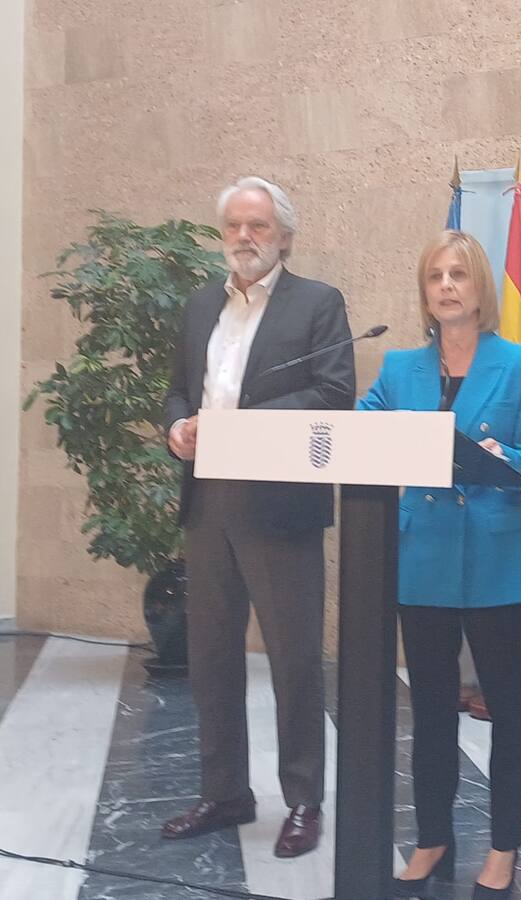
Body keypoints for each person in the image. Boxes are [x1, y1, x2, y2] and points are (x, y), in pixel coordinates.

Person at [162, 176, 355, 857]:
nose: (244, 237)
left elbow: (334, 392)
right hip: (207, 500)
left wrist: (236, 425)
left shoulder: (317, 303)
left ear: (285, 237)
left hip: (279, 504)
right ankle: (225, 792)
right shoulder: (198, 305)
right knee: (211, 655)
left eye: (259, 226)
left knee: (293, 657)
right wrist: (178, 427)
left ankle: (304, 800)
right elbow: (178, 392)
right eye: (234, 226)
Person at [357, 230, 521, 898]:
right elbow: (362, 432)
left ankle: (503, 848)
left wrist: (498, 455)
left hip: (497, 559)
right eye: (435, 275)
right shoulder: (399, 369)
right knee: (432, 710)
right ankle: (433, 839)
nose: (446, 285)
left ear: (479, 288)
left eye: (458, 275)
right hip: (425, 558)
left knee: (507, 710)